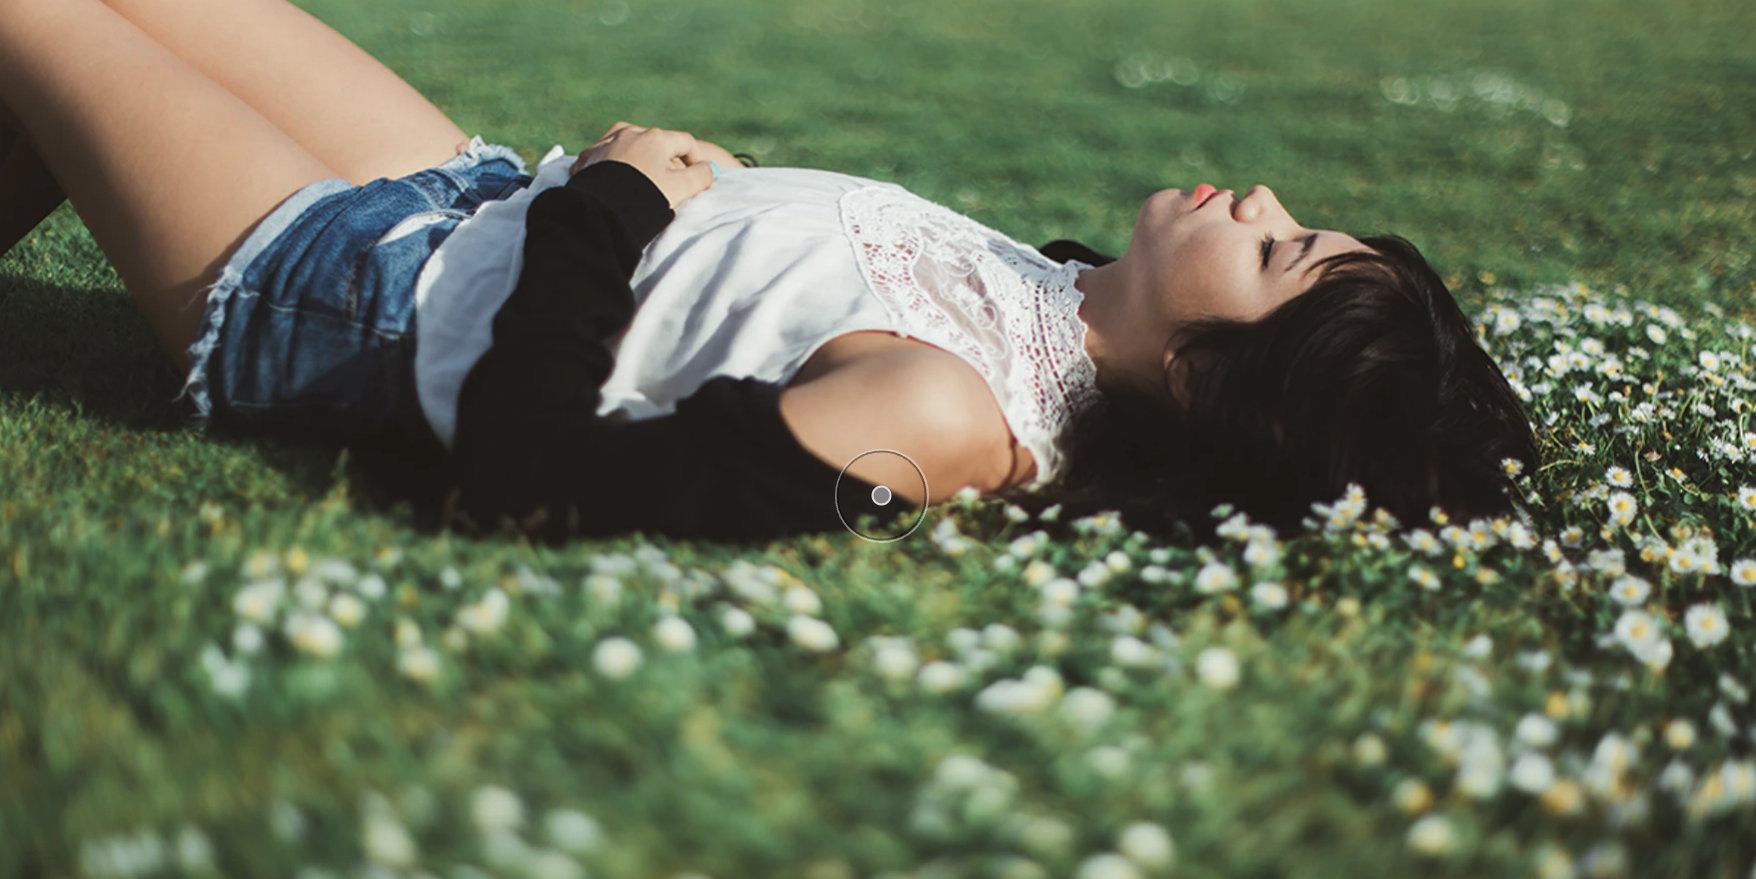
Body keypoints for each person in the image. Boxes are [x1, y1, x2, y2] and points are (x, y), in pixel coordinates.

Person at [0, 0, 1539, 548]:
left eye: (1275, 249)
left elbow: (535, 477)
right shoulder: (1053, 297)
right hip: (464, 196)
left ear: (1210, 372)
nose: (1263, 198)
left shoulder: (945, 412)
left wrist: (615, 204)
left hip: (348, 298)